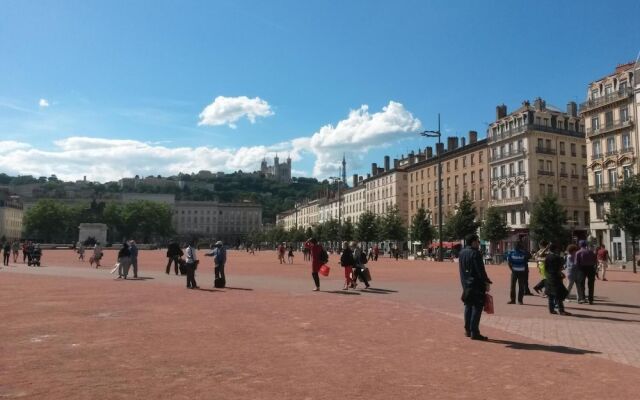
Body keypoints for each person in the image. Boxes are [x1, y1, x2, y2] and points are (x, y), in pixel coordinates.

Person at [459, 234, 492, 341]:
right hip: (476, 284)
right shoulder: (475, 253)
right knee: (477, 307)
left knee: (468, 305)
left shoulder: (462, 252)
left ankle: (467, 330)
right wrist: (486, 282)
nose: (478, 243)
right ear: (473, 242)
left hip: (465, 284)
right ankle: (474, 332)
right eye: (478, 241)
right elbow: (480, 270)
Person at [544, 243, 571, 315]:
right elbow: (560, 268)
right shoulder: (557, 257)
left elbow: (545, 267)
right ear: (555, 249)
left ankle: (551, 309)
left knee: (550, 294)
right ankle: (561, 310)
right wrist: (561, 274)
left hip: (549, 276)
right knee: (559, 294)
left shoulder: (547, 257)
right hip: (556, 276)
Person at [575, 240, 597, 304]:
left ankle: (583, 298)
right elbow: (595, 261)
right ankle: (591, 299)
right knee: (591, 284)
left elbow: (576, 263)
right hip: (591, 268)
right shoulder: (591, 252)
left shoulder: (578, 252)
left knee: (581, 284)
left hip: (582, 268)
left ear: (580, 245)